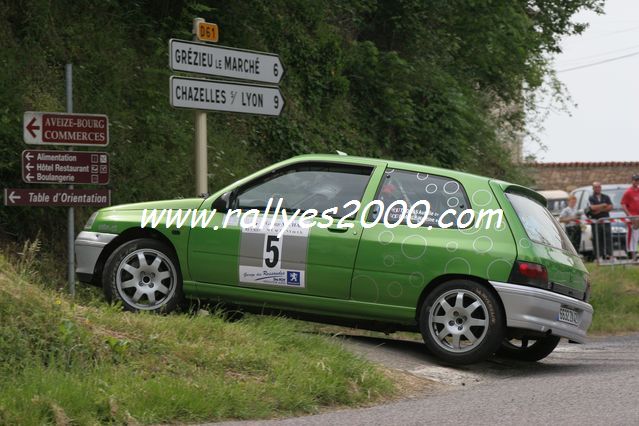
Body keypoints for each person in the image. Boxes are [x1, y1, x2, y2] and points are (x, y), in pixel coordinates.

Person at [587, 182, 613, 260]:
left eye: (599, 187)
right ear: (593, 188)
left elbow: (610, 207)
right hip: (596, 222)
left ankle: (609, 255)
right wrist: (603, 205)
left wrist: (599, 210)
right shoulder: (591, 197)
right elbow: (592, 208)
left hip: (605, 221)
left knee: (608, 238)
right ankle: (599, 256)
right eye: (596, 187)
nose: (597, 188)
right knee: (597, 239)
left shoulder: (606, 197)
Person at [621, 174, 639, 261]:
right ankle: (632, 255)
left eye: (638, 180)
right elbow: (623, 204)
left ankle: (636, 255)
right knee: (631, 237)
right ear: (632, 181)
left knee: (637, 236)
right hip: (632, 218)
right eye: (635, 180)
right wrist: (629, 215)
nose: (636, 182)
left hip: (638, 218)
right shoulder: (628, 192)